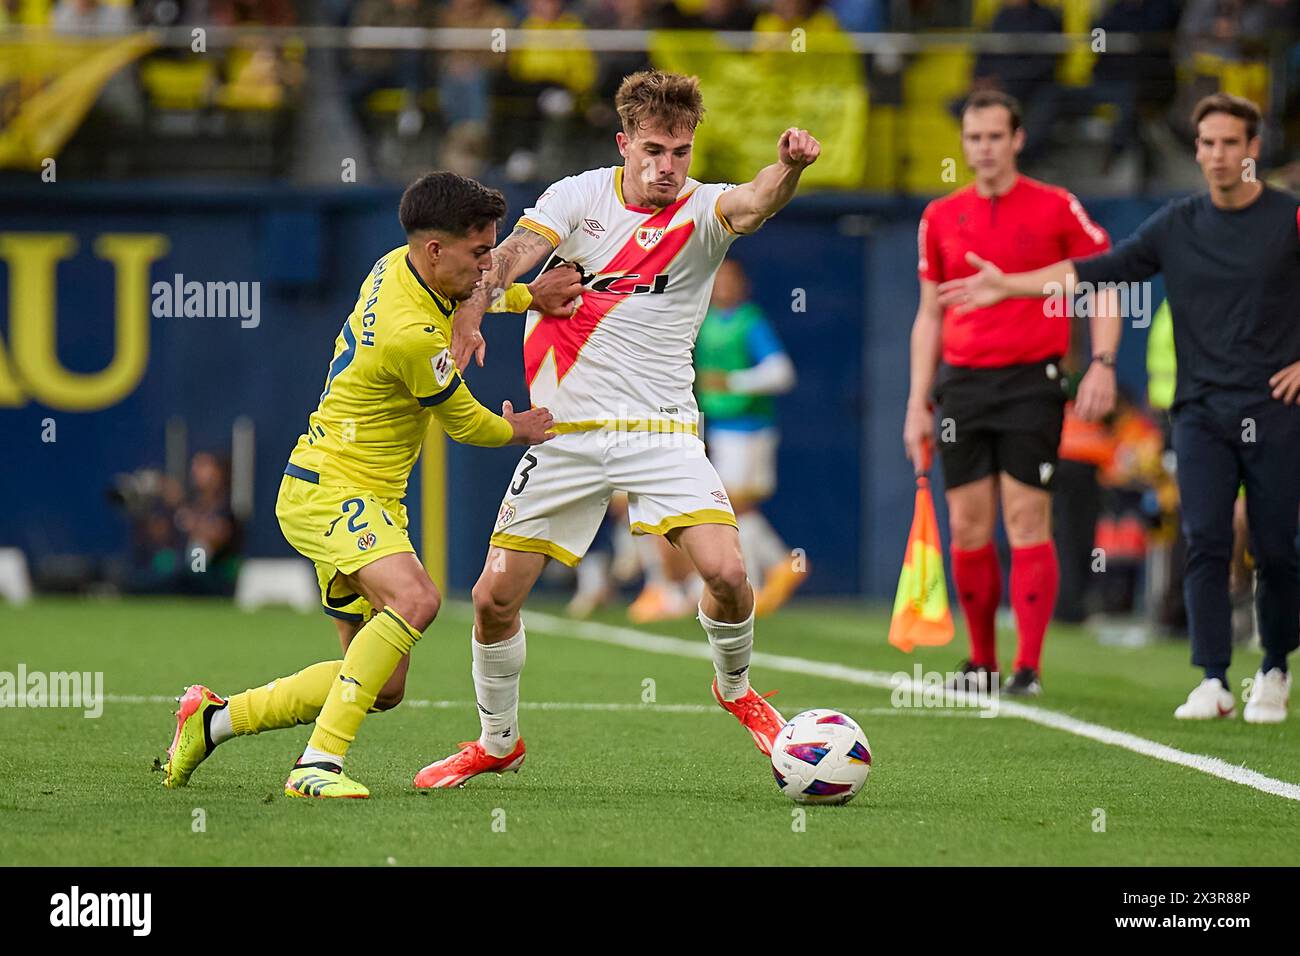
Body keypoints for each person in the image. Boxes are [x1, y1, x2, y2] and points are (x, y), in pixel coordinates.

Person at [413, 70, 821, 788]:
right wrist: (477, 307)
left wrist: (787, 168)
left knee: (728, 574)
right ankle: (497, 740)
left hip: (662, 429)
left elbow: (756, 200)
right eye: (655, 150)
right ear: (624, 142)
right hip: (564, 432)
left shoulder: (703, 210)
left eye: (682, 152)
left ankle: (735, 689)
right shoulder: (578, 196)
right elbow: (511, 255)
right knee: (491, 598)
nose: (668, 167)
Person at [158, 172, 581, 798]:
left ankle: (212, 721)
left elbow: (465, 298)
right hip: (332, 491)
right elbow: (464, 423)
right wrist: (516, 427)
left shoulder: (398, 265)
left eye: (493, 248)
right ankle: (316, 766)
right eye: (479, 252)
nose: (491, 264)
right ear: (435, 249)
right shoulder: (407, 334)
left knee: (383, 686)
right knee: (418, 601)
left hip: (353, 493)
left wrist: (525, 297)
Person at [937, 93, 1300, 723]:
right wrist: (1008, 284)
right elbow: (1096, 271)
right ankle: (1213, 678)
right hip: (1198, 411)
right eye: (1207, 144)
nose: (1217, 155)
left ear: (1253, 149)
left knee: (1273, 546)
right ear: (1197, 150)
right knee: (1205, 538)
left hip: (1274, 407)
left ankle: (1273, 669)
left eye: (1230, 144)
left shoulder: (1288, 218)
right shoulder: (1177, 223)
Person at [905, 89, 1116, 698]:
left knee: (1027, 518)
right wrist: (918, 399)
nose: (985, 148)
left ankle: (1028, 668)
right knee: (969, 525)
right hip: (963, 386)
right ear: (964, 144)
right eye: (974, 138)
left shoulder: (1055, 206)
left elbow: (1105, 280)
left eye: (996, 136)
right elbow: (928, 316)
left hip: (1032, 380)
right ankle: (981, 662)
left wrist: (1101, 362)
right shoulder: (940, 215)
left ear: (1018, 139)